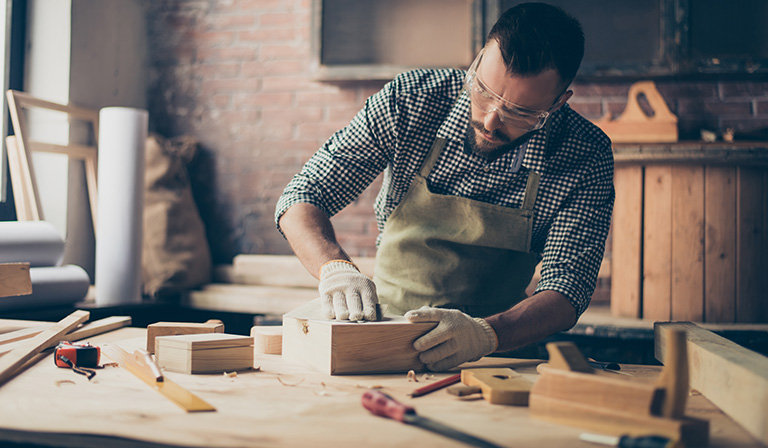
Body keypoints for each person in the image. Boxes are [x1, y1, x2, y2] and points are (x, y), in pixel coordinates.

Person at [275, 2, 614, 371]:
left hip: (495, 355)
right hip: (383, 334)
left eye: (519, 112)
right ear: (477, 60)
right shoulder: (410, 101)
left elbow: (568, 289)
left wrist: (485, 335)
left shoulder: (584, 154)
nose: (491, 121)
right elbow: (303, 195)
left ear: (559, 102)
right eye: (483, 91)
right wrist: (334, 268)